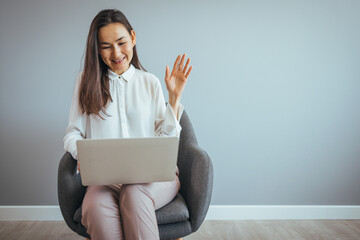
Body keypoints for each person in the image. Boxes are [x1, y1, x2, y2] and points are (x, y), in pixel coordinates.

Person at [63, 9, 192, 240]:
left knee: (134, 194)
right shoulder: (85, 82)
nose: (116, 53)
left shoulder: (149, 82)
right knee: (94, 207)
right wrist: (80, 154)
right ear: (97, 49)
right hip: (105, 181)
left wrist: (174, 100)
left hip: (154, 179)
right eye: (106, 46)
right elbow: (73, 134)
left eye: (121, 42)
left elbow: (167, 141)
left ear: (133, 38)